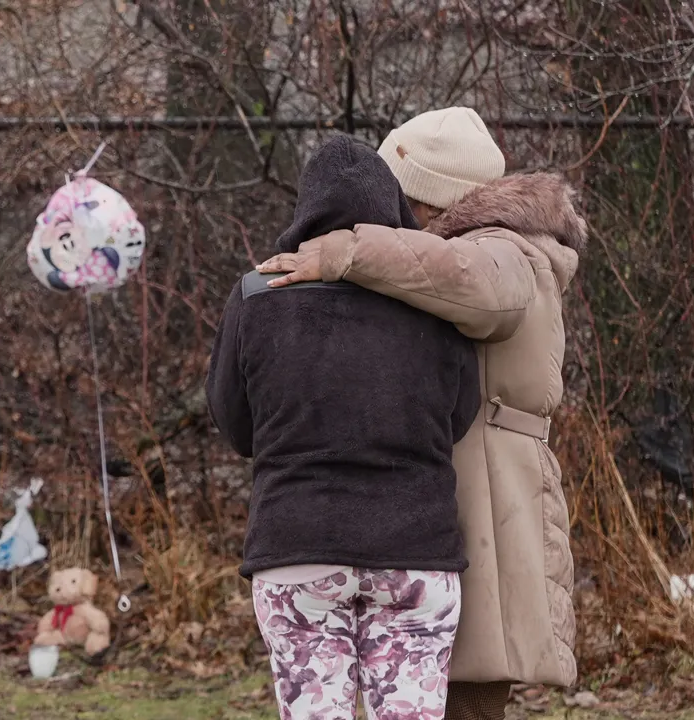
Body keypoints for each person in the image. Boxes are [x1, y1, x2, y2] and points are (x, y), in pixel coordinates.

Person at [257, 107, 587, 720]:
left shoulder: (505, 250)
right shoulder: (473, 253)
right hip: (461, 487)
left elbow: (477, 286)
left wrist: (350, 250)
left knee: (470, 693)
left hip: (490, 491)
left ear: (430, 199)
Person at [206, 134, 481, 719]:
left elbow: (234, 423)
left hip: (296, 545)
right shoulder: (434, 301)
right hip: (415, 550)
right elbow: (459, 417)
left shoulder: (256, 295)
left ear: (305, 210)